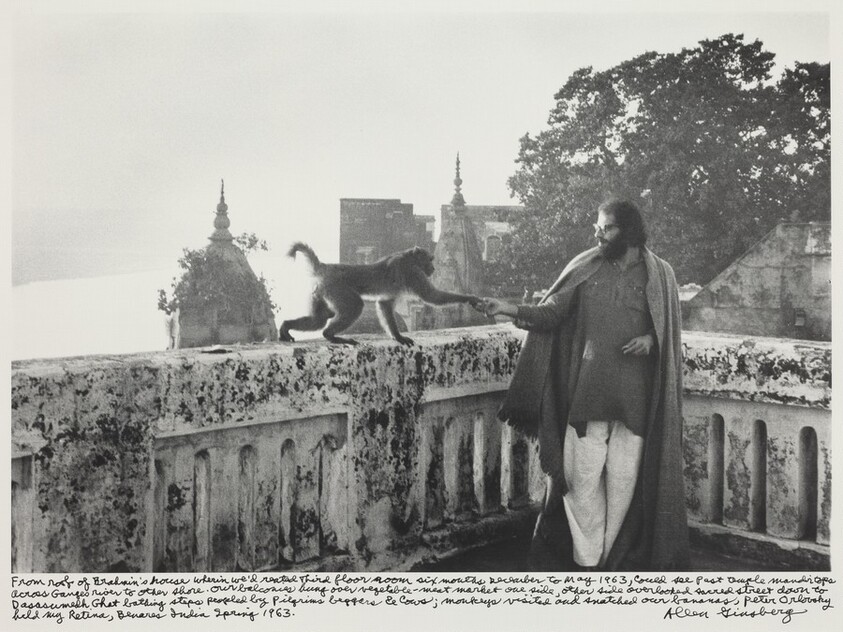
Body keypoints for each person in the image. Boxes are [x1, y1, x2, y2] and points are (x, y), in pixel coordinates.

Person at [474, 198, 688, 571]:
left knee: (624, 488)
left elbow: (668, 332)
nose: (598, 234)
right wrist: (507, 308)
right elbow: (552, 313)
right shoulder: (586, 268)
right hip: (586, 399)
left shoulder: (660, 275)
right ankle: (587, 562)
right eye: (597, 227)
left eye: (606, 228)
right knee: (579, 484)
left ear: (629, 231)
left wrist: (651, 340)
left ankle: (611, 561)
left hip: (636, 405)